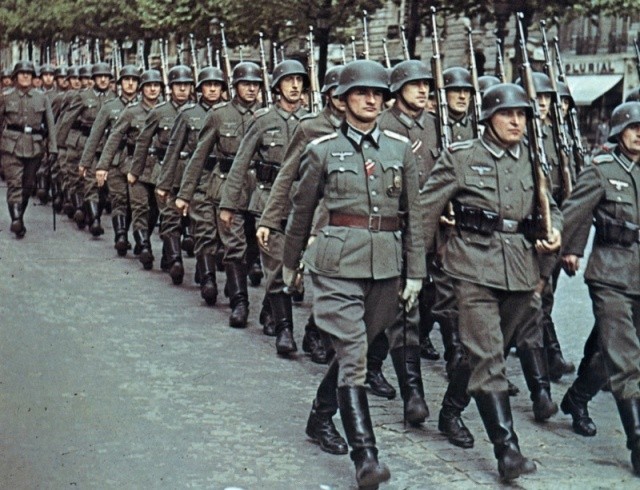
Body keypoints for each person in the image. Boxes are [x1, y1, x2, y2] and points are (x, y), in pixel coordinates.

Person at [284, 59, 426, 489]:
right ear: (342, 100)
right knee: (352, 351)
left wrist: (415, 273)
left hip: (385, 265)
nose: (370, 100)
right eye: (361, 93)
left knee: (356, 351)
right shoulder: (322, 150)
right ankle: (366, 457)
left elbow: (414, 217)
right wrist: (289, 264)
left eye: (377, 94)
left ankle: (320, 415)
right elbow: (301, 211)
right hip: (336, 264)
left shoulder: (400, 149)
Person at [419, 83, 562, 480]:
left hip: (520, 270)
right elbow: (425, 211)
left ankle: (451, 410)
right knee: (488, 357)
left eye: (522, 115)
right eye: (507, 114)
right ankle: (507, 451)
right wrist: (415, 269)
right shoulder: (462, 157)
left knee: (484, 351)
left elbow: (551, 208)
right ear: (487, 119)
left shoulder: (533, 158)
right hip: (472, 266)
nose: (516, 122)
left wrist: (554, 231)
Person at [560, 101, 640, 477]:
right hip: (610, 274)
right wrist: (568, 250)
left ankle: (576, 398)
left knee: (613, 352)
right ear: (618, 132)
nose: (639, 135)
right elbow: (574, 213)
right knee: (626, 359)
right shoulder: (601, 169)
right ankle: (637, 442)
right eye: (634, 128)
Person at [220, 59, 309, 355]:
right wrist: (228, 204)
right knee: (276, 265)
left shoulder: (311, 122)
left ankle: (271, 311)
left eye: (299, 80)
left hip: (302, 204)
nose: (294, 85)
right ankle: (285, 330)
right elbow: (240, 164)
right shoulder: (263, 120)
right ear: (277, 87)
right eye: (288, 80)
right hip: (267, 202)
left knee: (294, 266)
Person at [257, 65, 344, 362]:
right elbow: (286, 174)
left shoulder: (363, 129)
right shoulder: (310, 127)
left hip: (337, 218)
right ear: (327, 94)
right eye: (336, 91)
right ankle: (284, 329)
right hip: (303, 211)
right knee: (283, 269)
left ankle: (315, 332)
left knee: (331, 280)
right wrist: (269, 219)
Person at [175, 61, 262, 327]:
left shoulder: (265, 116)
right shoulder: (219, 115)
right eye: (246, 84)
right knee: (233, 244)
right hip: (225, 188)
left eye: (255, 84)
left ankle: (239, 286)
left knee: (253, 243)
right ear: (235, 87)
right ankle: (239, 302)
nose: (251, 89)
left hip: (258, 190)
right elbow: (199, 156)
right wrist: (185, 194)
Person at [156, 66, 225, 301]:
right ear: (200, 89)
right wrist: (165, 184)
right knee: (204, 229)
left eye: (217, 85)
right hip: (199, 178)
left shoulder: (230, 114)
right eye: (208, 85)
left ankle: (206, 268)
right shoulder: (188, 114)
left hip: (225, 179)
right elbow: (173, 150)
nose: (213, 89)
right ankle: (208, 279)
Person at [130, 65, 193, 277]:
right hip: (164, 169)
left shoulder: (199, 113)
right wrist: (135, 171)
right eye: (178, 85)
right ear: (171, 88)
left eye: (186, 85)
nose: (182, 89)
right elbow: (143, 142)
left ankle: (169, 256)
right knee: (168, 214)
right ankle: (174, 259)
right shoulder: (159, 112)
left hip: (191, 172)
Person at [96, 69, 163, 267]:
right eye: (148, 86)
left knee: (154, 210)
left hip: (159, 168)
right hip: (136, 166)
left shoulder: (167, 111)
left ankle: (142, 238)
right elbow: (114, 138)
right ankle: (143, 245)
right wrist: (102, 166)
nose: (152, 89)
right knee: (138, 206)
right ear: (142, 89)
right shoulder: (132, 111)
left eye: (156, 85)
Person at [85, 64, 141, 252]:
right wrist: (87, 162)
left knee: (136, 203)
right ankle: (121, 235)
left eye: (134, 80)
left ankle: (135, 236)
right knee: (119, 199)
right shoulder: (110, 107)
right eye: (126, 80)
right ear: (119, 84)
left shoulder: (147, 107)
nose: (130, 84)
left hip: (138, 161)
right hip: (116, 159)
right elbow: (95, 135)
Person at [0, 60, 57, 238]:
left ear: (33, 77)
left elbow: (50, 124)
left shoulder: (42, 97)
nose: (25, 76)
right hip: (10, 146)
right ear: (15, 77)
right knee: (14, 183)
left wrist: (53, 148)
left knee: (27, 185)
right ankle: (16, 219)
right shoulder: (5, 97)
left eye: (29, 73)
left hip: (35, 146)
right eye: (22, 73)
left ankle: (19, 215)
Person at [57, 62, 116, 235]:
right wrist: (59, 145)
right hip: (85, 143)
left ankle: (89, 211)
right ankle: (94, 219)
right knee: (88, 182)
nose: (103, 80)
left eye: (106, 77)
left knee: (103, 186)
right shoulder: (83, 96)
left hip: (106, 146)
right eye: (99, 77)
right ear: (94, 79)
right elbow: (68, 120)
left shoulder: (115, 98)